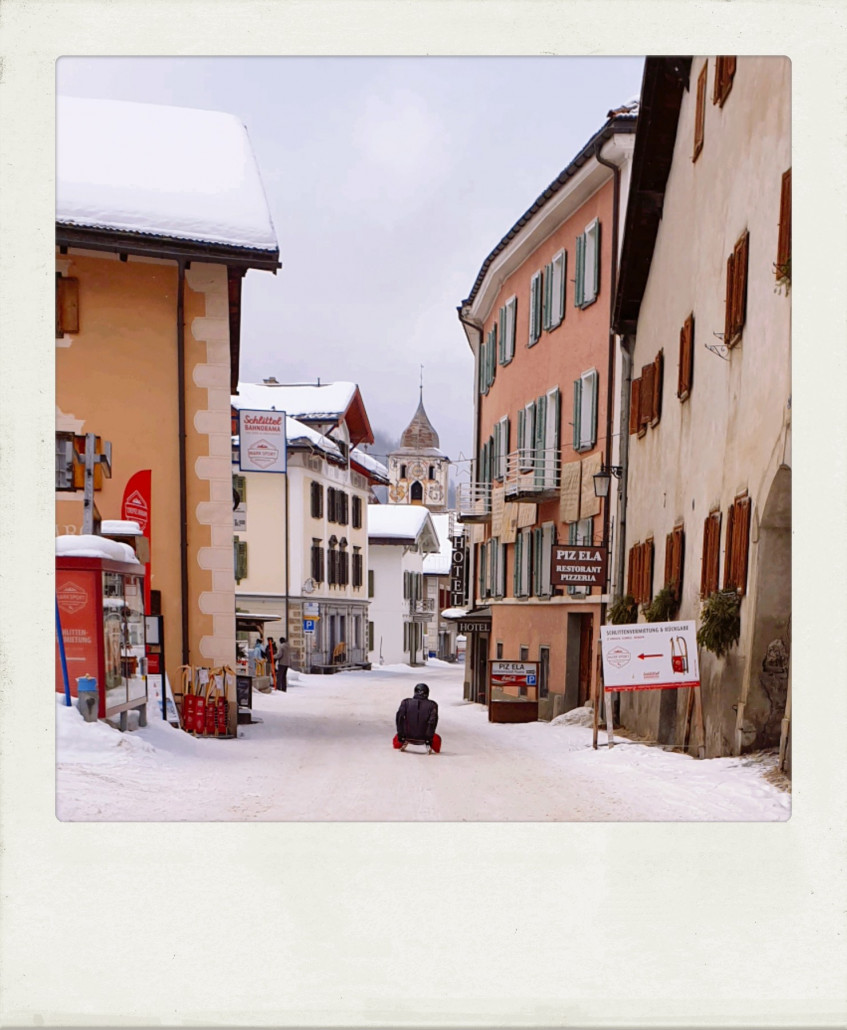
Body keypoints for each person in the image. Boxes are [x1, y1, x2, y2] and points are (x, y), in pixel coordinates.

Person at [395, 683, 439, 753]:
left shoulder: (406, 702)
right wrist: (429, 738)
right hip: (424, 738)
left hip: (406, 736)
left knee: (395, 740)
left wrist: (401, 735)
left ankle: (401, 743)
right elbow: (432, 722)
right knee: (438, 739)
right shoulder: (433, 705)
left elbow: (399, 718)